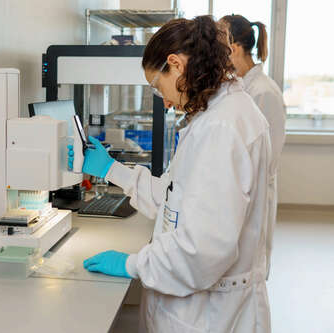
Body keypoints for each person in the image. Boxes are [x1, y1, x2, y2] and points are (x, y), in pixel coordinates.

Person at [69, 16, 273, 332]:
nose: (163, 100)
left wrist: (132, 264)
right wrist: (112, 170)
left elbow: (202, 249)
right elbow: (174, 200)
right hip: (200, 306)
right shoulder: (213, 117)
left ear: (176, 65)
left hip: (210, 313)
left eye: (157, 85)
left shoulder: (222, 128)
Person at [220, 14, 286, 277]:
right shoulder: (241, 87)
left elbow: (267, 160)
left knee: (249, 272)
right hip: (237, 195)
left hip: (253, 197)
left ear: (234, 49)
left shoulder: (263, 92)